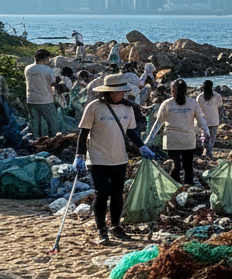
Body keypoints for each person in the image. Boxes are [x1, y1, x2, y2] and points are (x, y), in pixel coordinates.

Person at [75, 73, 158, 245]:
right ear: (107, 92)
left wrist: (141, 146)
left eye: (122, 92)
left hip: (119, 158)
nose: (120, 95)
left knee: (117, 195)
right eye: (117, 92)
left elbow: (131, 132)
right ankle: (101, 230)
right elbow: (83, 133)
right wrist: (79, 155)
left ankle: (115, 226)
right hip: (97, 159)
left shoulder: (128, 109)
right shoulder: (94, 107)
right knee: (102, 193)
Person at [147, 79, 210, 186]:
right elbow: (201, 120)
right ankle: (188, 187)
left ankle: (175, 188)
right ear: (186, 91)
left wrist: (148, 140)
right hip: (186, 141)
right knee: (187, 167)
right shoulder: (192, 102)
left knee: (175, 167)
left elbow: (158, 124)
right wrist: (206, 131)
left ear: (172, 91)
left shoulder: (167, 104)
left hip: (173, 141)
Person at [24, 48, 59, 138]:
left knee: (34, 123)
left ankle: (34, 142)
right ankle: (53, 140)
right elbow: (52, 84)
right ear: (46, 58)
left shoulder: (27, 68)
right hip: (45, 100)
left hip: (31, 99)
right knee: (52, 122)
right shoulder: (48, 70)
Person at [197, 80, 224, 158]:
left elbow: (197, 109)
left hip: (203, 120)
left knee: (204, 137)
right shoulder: (217, 96)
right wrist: (220, 118)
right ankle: (209, 151)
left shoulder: (200, 97)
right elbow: (220, 108)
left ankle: (206, 151)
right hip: (214, 120)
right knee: (212, 137)